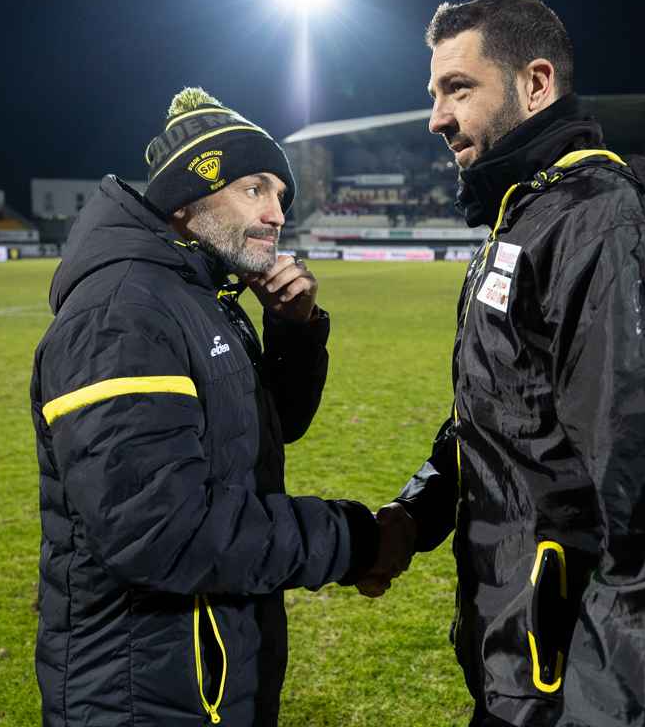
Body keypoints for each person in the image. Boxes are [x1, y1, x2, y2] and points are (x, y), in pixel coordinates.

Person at [358, 0, 645, 726]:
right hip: (512, 661)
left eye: (457, 88)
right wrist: (416, 511)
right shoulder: (530, 217)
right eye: (434, 93)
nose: (436, 117)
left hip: (563, 692)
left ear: (536, 84)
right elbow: (507, 413)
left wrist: (597, 714)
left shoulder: (609, 226)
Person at [30, 88, 402, 727]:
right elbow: (158, 529)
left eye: (280, 196)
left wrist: (293, 330)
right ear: (186, 198)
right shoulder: (122, 313)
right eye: (254, 189)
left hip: (206, 666)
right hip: (140, 689)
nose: (277, 213)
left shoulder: (199, 294)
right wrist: (355, 540)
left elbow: (270, 430)